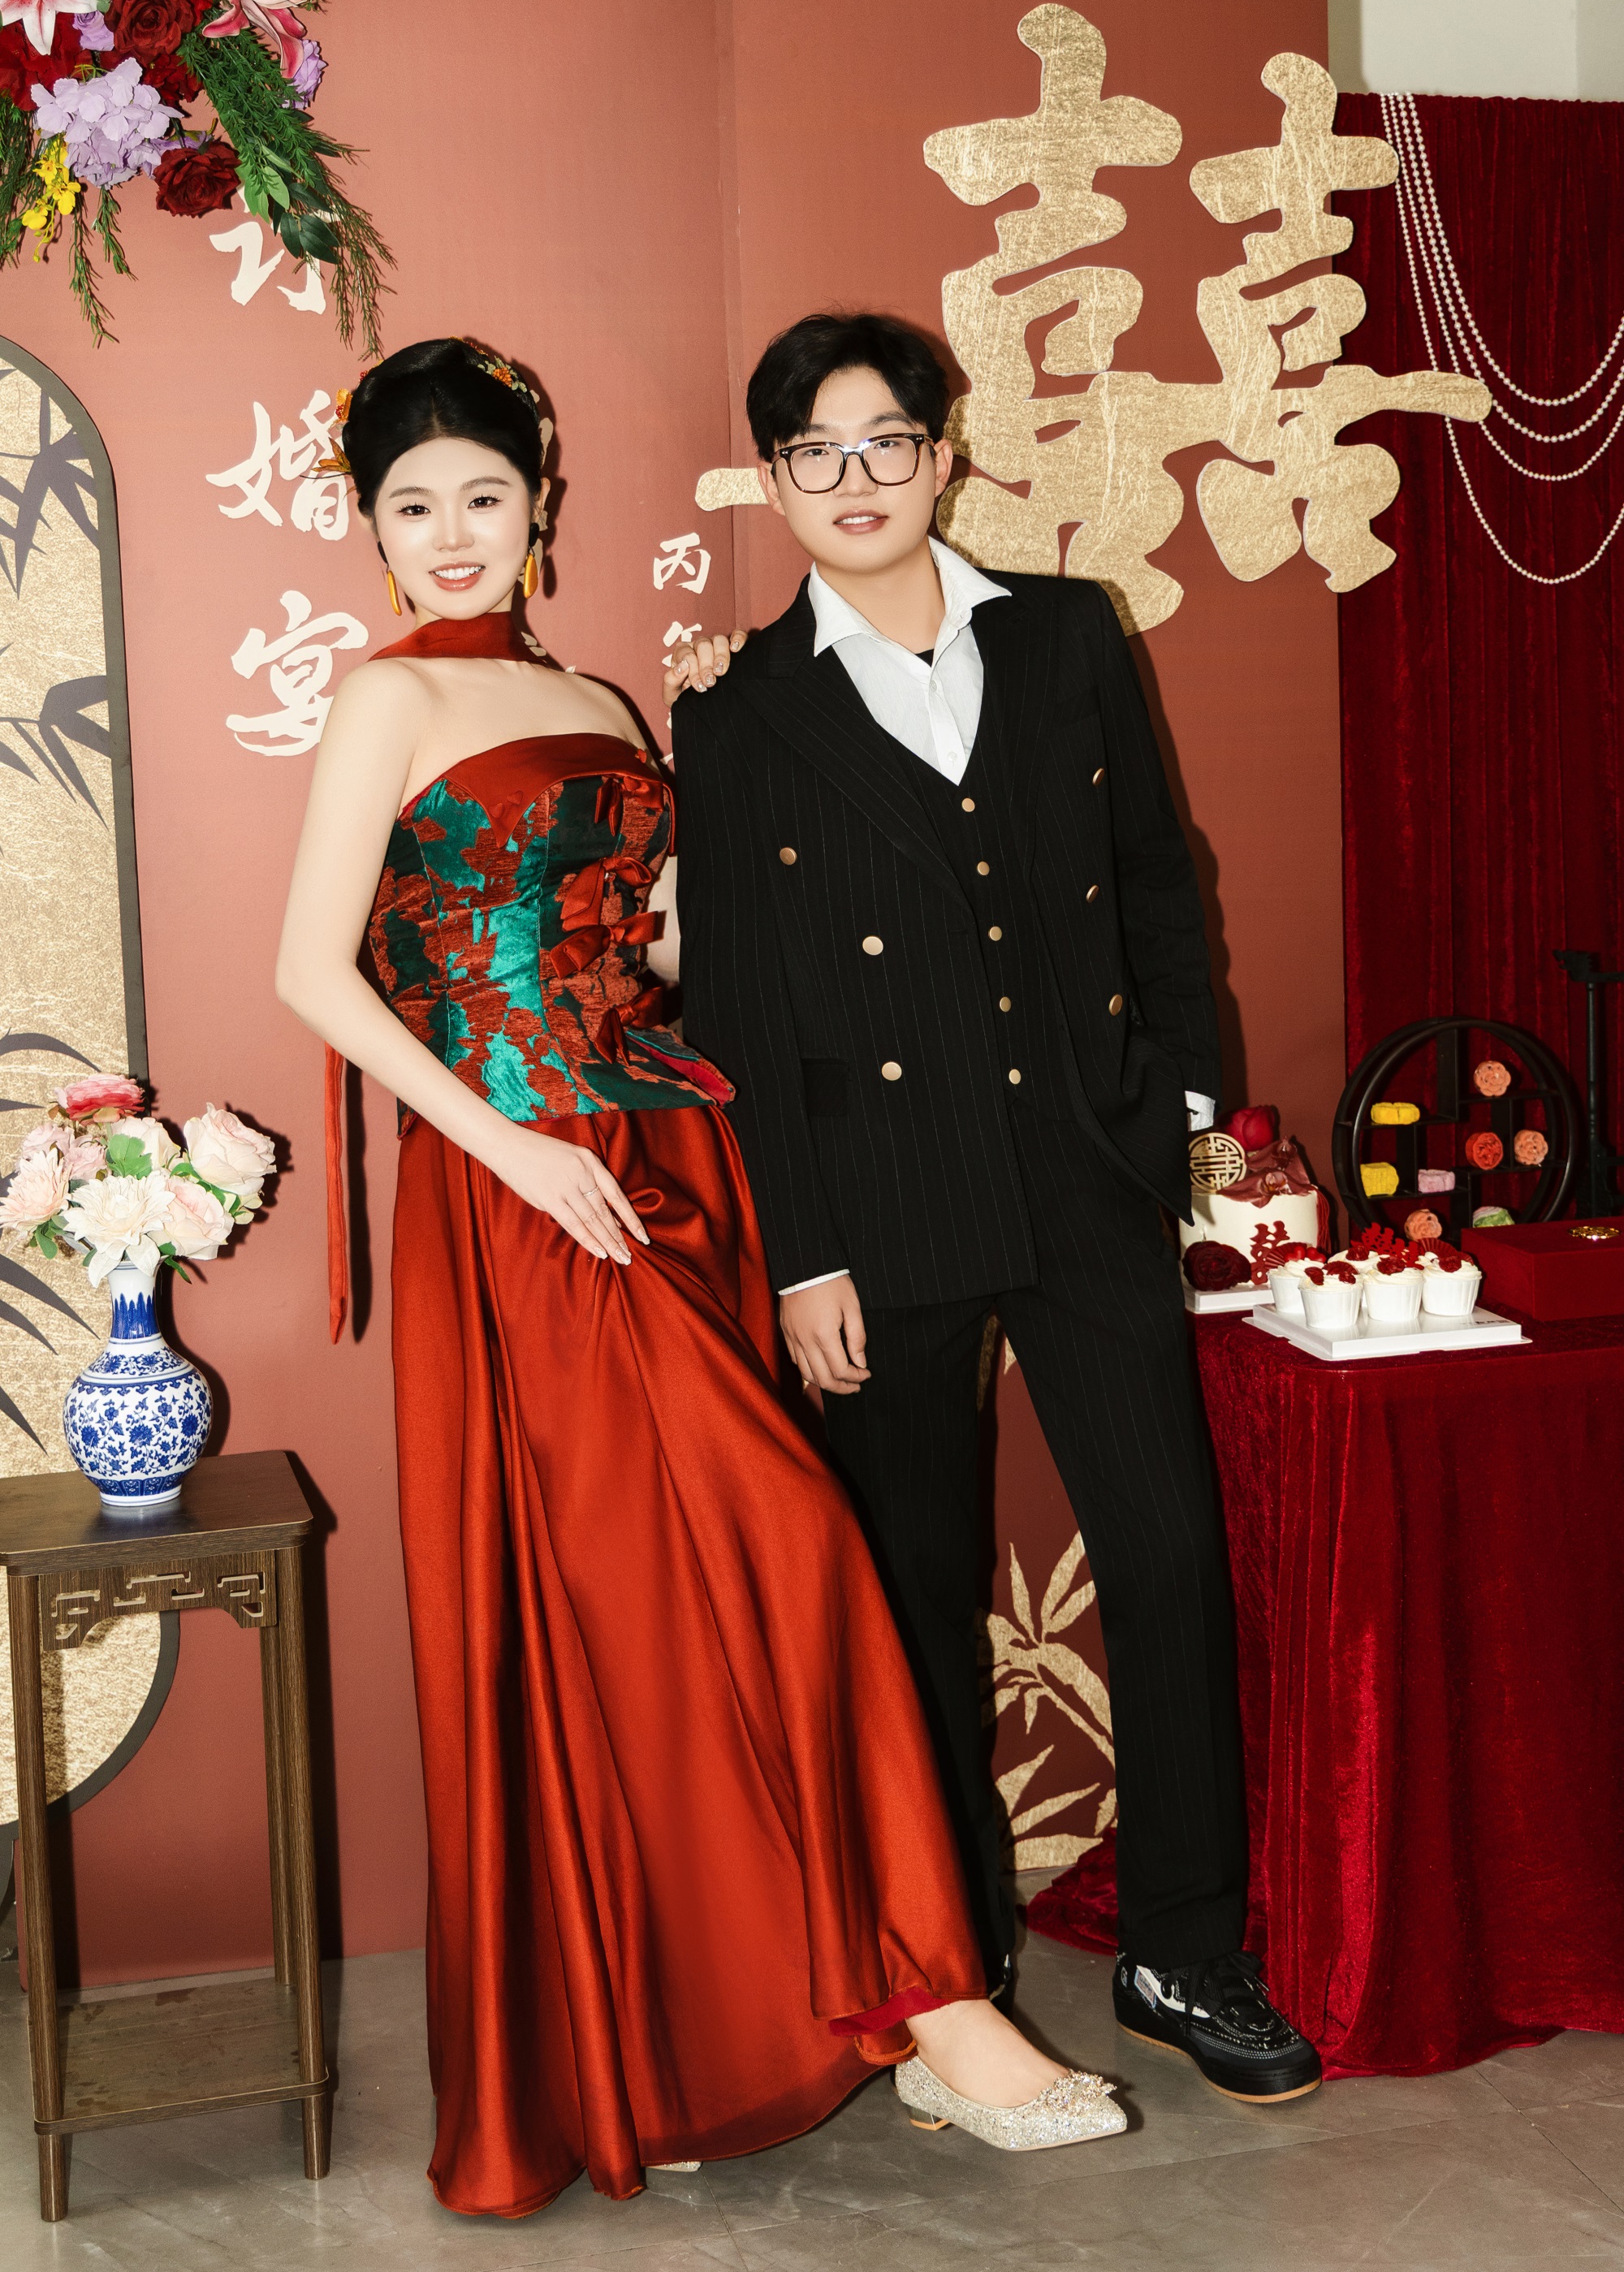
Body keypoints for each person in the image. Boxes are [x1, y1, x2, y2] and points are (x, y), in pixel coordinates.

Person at [274, 338, 1125, 2219]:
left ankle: (692, 2036)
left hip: (668, 1169)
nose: (451, 533)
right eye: (412, 506)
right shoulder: (384, 700)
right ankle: (939, 2012)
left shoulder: (595, 697)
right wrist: (513, 1153)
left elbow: (670, 940)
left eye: (484, 494)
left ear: (541, 505)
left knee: (671, 1613)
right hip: (524, 1201)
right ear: (369, 528)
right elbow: (311, 973)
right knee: (775, 1555)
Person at [667, 311, 1322, 2106]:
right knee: (916, 1595)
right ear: (775, 481)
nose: (855, 479)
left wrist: (1182, 1113)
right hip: (878, 1213)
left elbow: (1157, 879)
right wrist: (801, 1249)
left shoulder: (1065, 633)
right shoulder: (738, 712)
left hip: (1087, 1171)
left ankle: (1185, 1951)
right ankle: (953, 1963)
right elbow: (740, 1008)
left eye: (885, 441)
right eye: (814, 452)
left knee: (1168, 1562)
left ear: (942, 456)